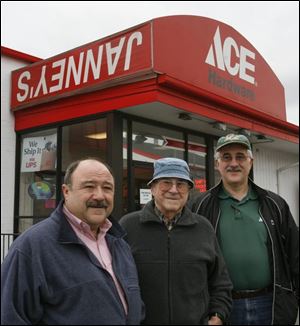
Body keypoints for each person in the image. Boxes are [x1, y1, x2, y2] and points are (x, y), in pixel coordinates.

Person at [1, 158, 144, 325]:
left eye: (107, 188)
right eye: (89, 186)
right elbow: (10, 317)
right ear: (66, 192)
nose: (99, 196)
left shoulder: (120, 244)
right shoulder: (32, 246)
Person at [190, 134, 299, 325]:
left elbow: (295, 255)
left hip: (271, 304)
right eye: (226, 157)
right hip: (223, 308)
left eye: (240, 156)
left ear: (251, 162)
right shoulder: (200, 206)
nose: (233, 163)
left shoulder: (274, 204)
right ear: (217, 164)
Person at [120, 157, 232, 325]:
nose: (174, 190)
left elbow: (220, 282)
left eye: (181, 184)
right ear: (152, 188)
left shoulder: (203, 228)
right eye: (166, 182)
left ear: (188, 190)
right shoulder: (128, 226)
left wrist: (217, 316)